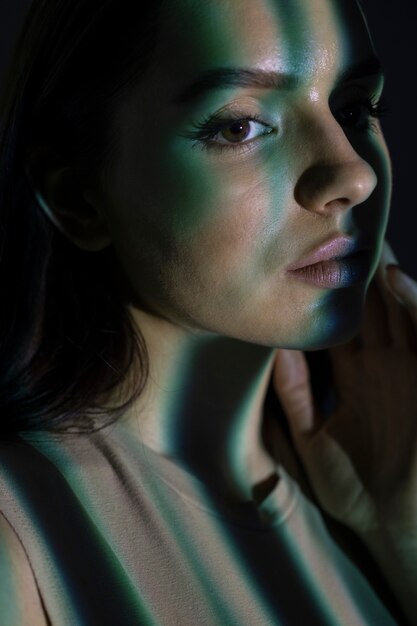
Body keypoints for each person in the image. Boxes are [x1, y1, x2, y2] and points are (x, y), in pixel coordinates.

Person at [0, 0, 416, 624]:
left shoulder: (373, 500)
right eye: (240, 126)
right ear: (78, 196)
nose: (354, 173)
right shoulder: (22, 530)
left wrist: (401, 531)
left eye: (355, 108)